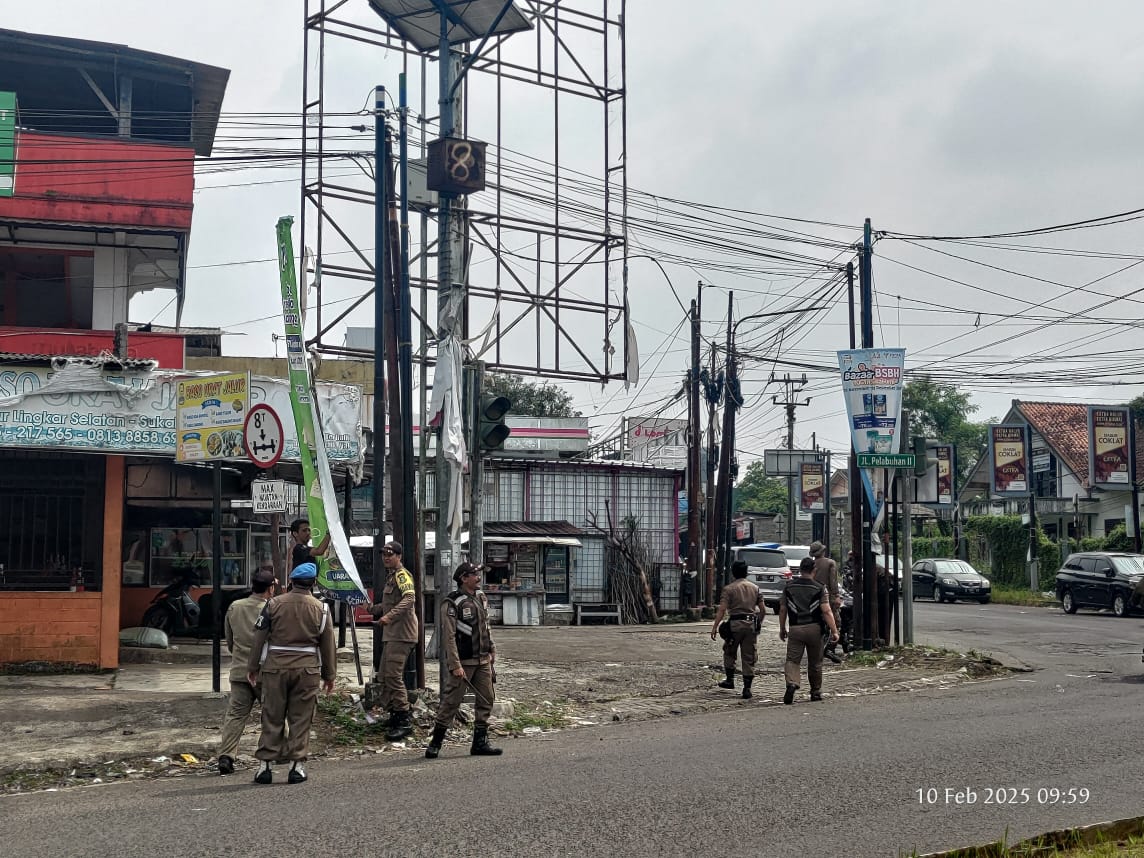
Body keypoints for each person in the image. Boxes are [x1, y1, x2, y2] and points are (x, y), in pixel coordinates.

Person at [247, 561, 336, 784]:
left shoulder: (273, 605)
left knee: (272, 715)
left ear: (291, 582)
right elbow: (327, 646)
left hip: (275, 668)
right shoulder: (322, 609)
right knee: (301, 718)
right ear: (313, 584)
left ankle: (265, 767)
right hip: (307, 670)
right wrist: (329, 675)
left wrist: (252, 667)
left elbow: (258, 638)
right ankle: (296, 767)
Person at [426, 562, 502, 759]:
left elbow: (486, 626)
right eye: (474, 575)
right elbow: (449, 637)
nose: (478, 578)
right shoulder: (452, 602)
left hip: (483, 661)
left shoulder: (481, 598)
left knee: (487, 699)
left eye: (478, 574)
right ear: (463, 578)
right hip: (464, 662)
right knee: (451, 702)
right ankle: (435, 743)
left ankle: (479, 742)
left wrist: (492, 647)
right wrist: (455, 664)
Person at [217, 568, 277, 775]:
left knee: (235, 715)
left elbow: (230, 640)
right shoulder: (273, 609)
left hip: (240, 671)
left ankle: (226, 755)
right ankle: (280, 751)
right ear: (270, 589)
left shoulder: (235, 607)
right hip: (265, 671)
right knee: (272, 713)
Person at [369, 540, 418, 742]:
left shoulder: (402, 575)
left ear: (399, 556)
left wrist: (389, 617)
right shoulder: (391, 578)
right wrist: (373, 608)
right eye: (384, 554)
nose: (386, 557)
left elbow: (409, 599)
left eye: (390, 554)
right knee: (386, 677)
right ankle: (395, 715)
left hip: (401, 634)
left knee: (394, 676)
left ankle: (404, 720)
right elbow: (390, 603)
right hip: (393, 635)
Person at [778, 556, 839, 705]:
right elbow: (826, 610)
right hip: (814, 629)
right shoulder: (819, 588)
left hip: (795, 628)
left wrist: (782, 628)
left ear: (800, 569)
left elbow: (783, 609)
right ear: (814, 570)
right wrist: (835, 630)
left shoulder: (789, 586)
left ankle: (792, 683)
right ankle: (815, 691)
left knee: (792, 660)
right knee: (815, 662)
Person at [709, 559, 766, 699]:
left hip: (734, 626)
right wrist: (758, 622)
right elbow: (763, 610)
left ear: (733, 573)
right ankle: (747, 688)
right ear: (746, 572)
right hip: (751, 625)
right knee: (749, 656)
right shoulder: (755, 588)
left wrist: (715, 626)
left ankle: (730, 680)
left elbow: (722, 610)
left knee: (729, 651)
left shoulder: (729, 589)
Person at [809, 541, 842, 664]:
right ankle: (830, 648)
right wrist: (837, 596)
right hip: (827, 597)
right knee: (836, 622)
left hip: (812, 597)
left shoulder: (811, 564)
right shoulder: (830, 563)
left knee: (817, 623)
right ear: (823, 551)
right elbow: (833, 582)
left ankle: (817, 648)